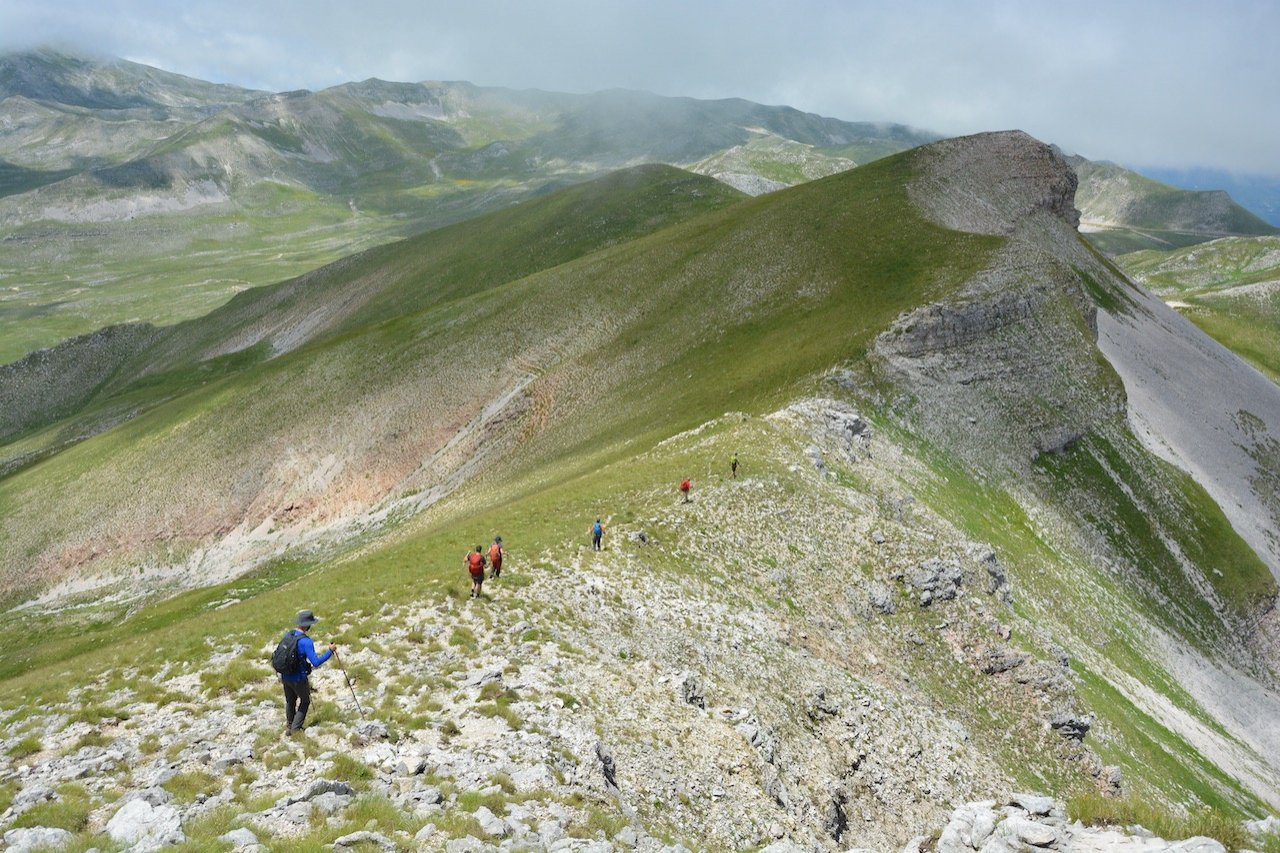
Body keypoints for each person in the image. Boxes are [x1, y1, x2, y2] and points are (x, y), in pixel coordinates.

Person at [279, 610, 336, 737]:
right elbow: (315, 662)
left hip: (285, 675)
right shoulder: (306, 641)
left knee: (290, 700)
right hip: (299, 677)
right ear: (308, 625)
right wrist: (330, 652)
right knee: (305, 701)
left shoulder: (289, 634)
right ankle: (295, 729)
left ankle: (289, 724)